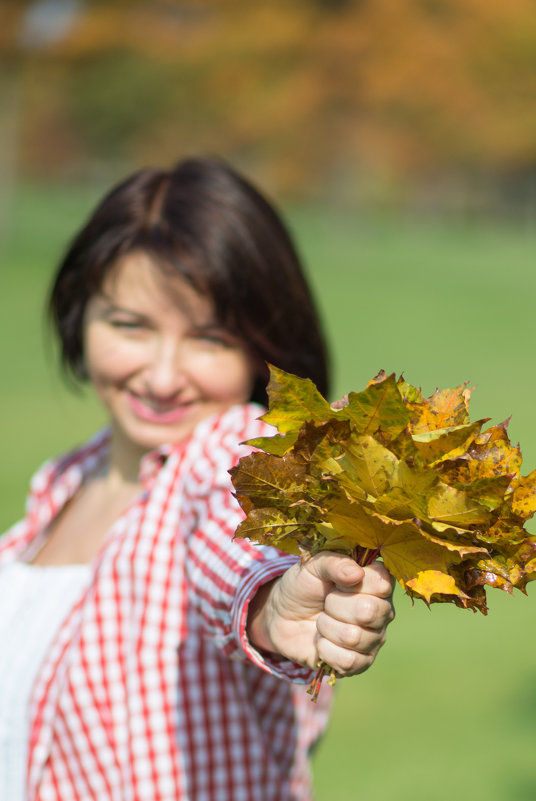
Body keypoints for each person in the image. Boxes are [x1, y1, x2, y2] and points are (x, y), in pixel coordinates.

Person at [0, 156, 394, 801]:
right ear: (81, 316)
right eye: (129, 325)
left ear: (263, 348)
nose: (161, 376)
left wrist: (270, 604)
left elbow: (235, 537)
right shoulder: (61, 482)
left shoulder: (233, 449)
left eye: (208, 338)